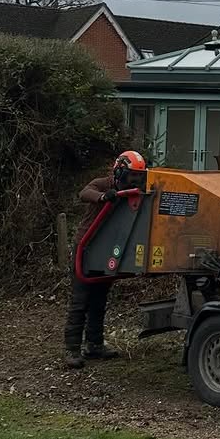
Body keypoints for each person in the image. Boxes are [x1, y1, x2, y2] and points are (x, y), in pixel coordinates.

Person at [63, 150, 146, 369]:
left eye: (138, 177)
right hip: (86, 247)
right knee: (80, 301)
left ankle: (94, 345)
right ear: (119, 171)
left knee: (99, 300)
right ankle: (72, 349)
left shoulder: (133, 195)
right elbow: (84, 192)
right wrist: (103, 197)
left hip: (107, 249)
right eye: (130, 176)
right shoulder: (104, 184)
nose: (133, 181)